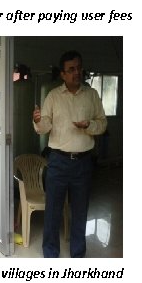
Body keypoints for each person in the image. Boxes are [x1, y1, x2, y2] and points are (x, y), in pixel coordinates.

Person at [32, 50, 107, 258]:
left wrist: (89, 125)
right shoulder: (54, 96)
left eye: (79, 68)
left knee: (80, 211)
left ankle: (77, 254)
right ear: (63, 74)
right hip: (58, 161)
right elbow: (45, 125)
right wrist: (38, 120)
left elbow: (102, 123)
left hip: (83, 163)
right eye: (71, 70)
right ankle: (50, 253)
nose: (77, 73)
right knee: (53, 211)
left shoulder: (91, 95)